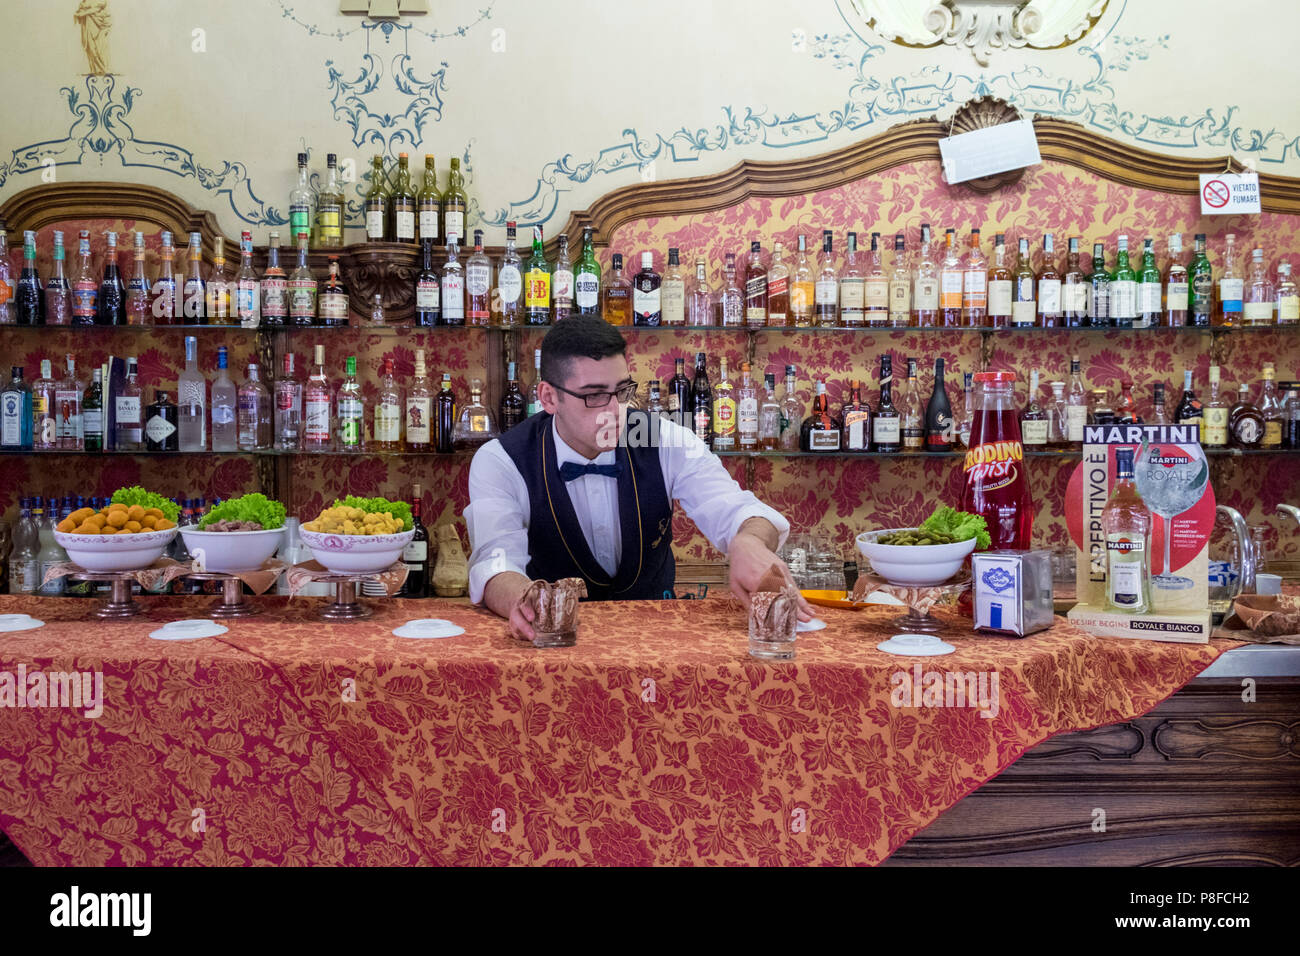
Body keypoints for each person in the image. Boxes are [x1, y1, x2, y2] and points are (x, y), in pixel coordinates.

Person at [465, 315, 811, 640]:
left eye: (622, 391)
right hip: (555, 642)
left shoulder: (666, 440)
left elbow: (737, 510)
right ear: (549, 397)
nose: (617, 410)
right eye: (595, 395)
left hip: (657, 638)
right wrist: (523, 600)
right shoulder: (502, 460)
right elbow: (495, 563)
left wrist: (747, 541)